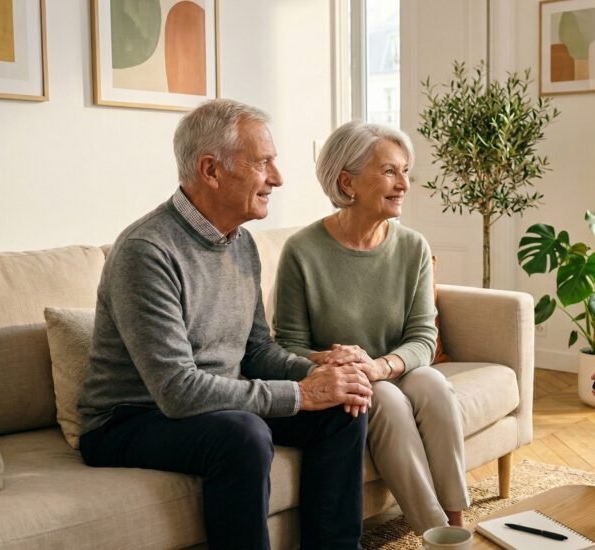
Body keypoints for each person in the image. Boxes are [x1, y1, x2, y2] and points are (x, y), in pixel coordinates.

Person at [77, 99, 373, 550]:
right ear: (211, 170)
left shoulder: (241, 244)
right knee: (242, 433)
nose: (277, 178)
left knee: (342, 409)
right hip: (129, 420)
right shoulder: (147, 251)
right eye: (263, 163)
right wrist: (301, 393)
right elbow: (177, 391)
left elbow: (256, 351)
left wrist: (320, 375)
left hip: (215, 406)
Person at [274, 121, 469, 534]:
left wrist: (380, 365)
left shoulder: (413, 247)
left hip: (396, 369)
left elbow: (423, 336)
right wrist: (332, 360)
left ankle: (456, 518)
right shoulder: (302, 251)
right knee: (385, 400)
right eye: (389, 171)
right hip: (350, 381)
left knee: (434, 386)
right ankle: (435, 531)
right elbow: (287, 343)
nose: (404, 184)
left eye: (405, 172)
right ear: (348, 181)